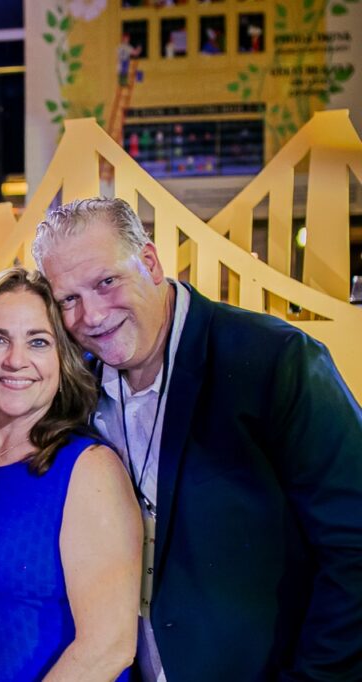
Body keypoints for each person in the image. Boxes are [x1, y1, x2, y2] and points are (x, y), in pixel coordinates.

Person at [32, 197, 362, 681]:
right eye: (69, 300)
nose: (92, 314)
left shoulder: (274, 360)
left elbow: (354, 548)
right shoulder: (75, 387)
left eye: (106, 282)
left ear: (149, 263)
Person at [0, 266, 141, 681]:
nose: (17, 360)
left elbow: (108, 647)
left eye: (38, 342)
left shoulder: (89, 470)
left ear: (62, 359)